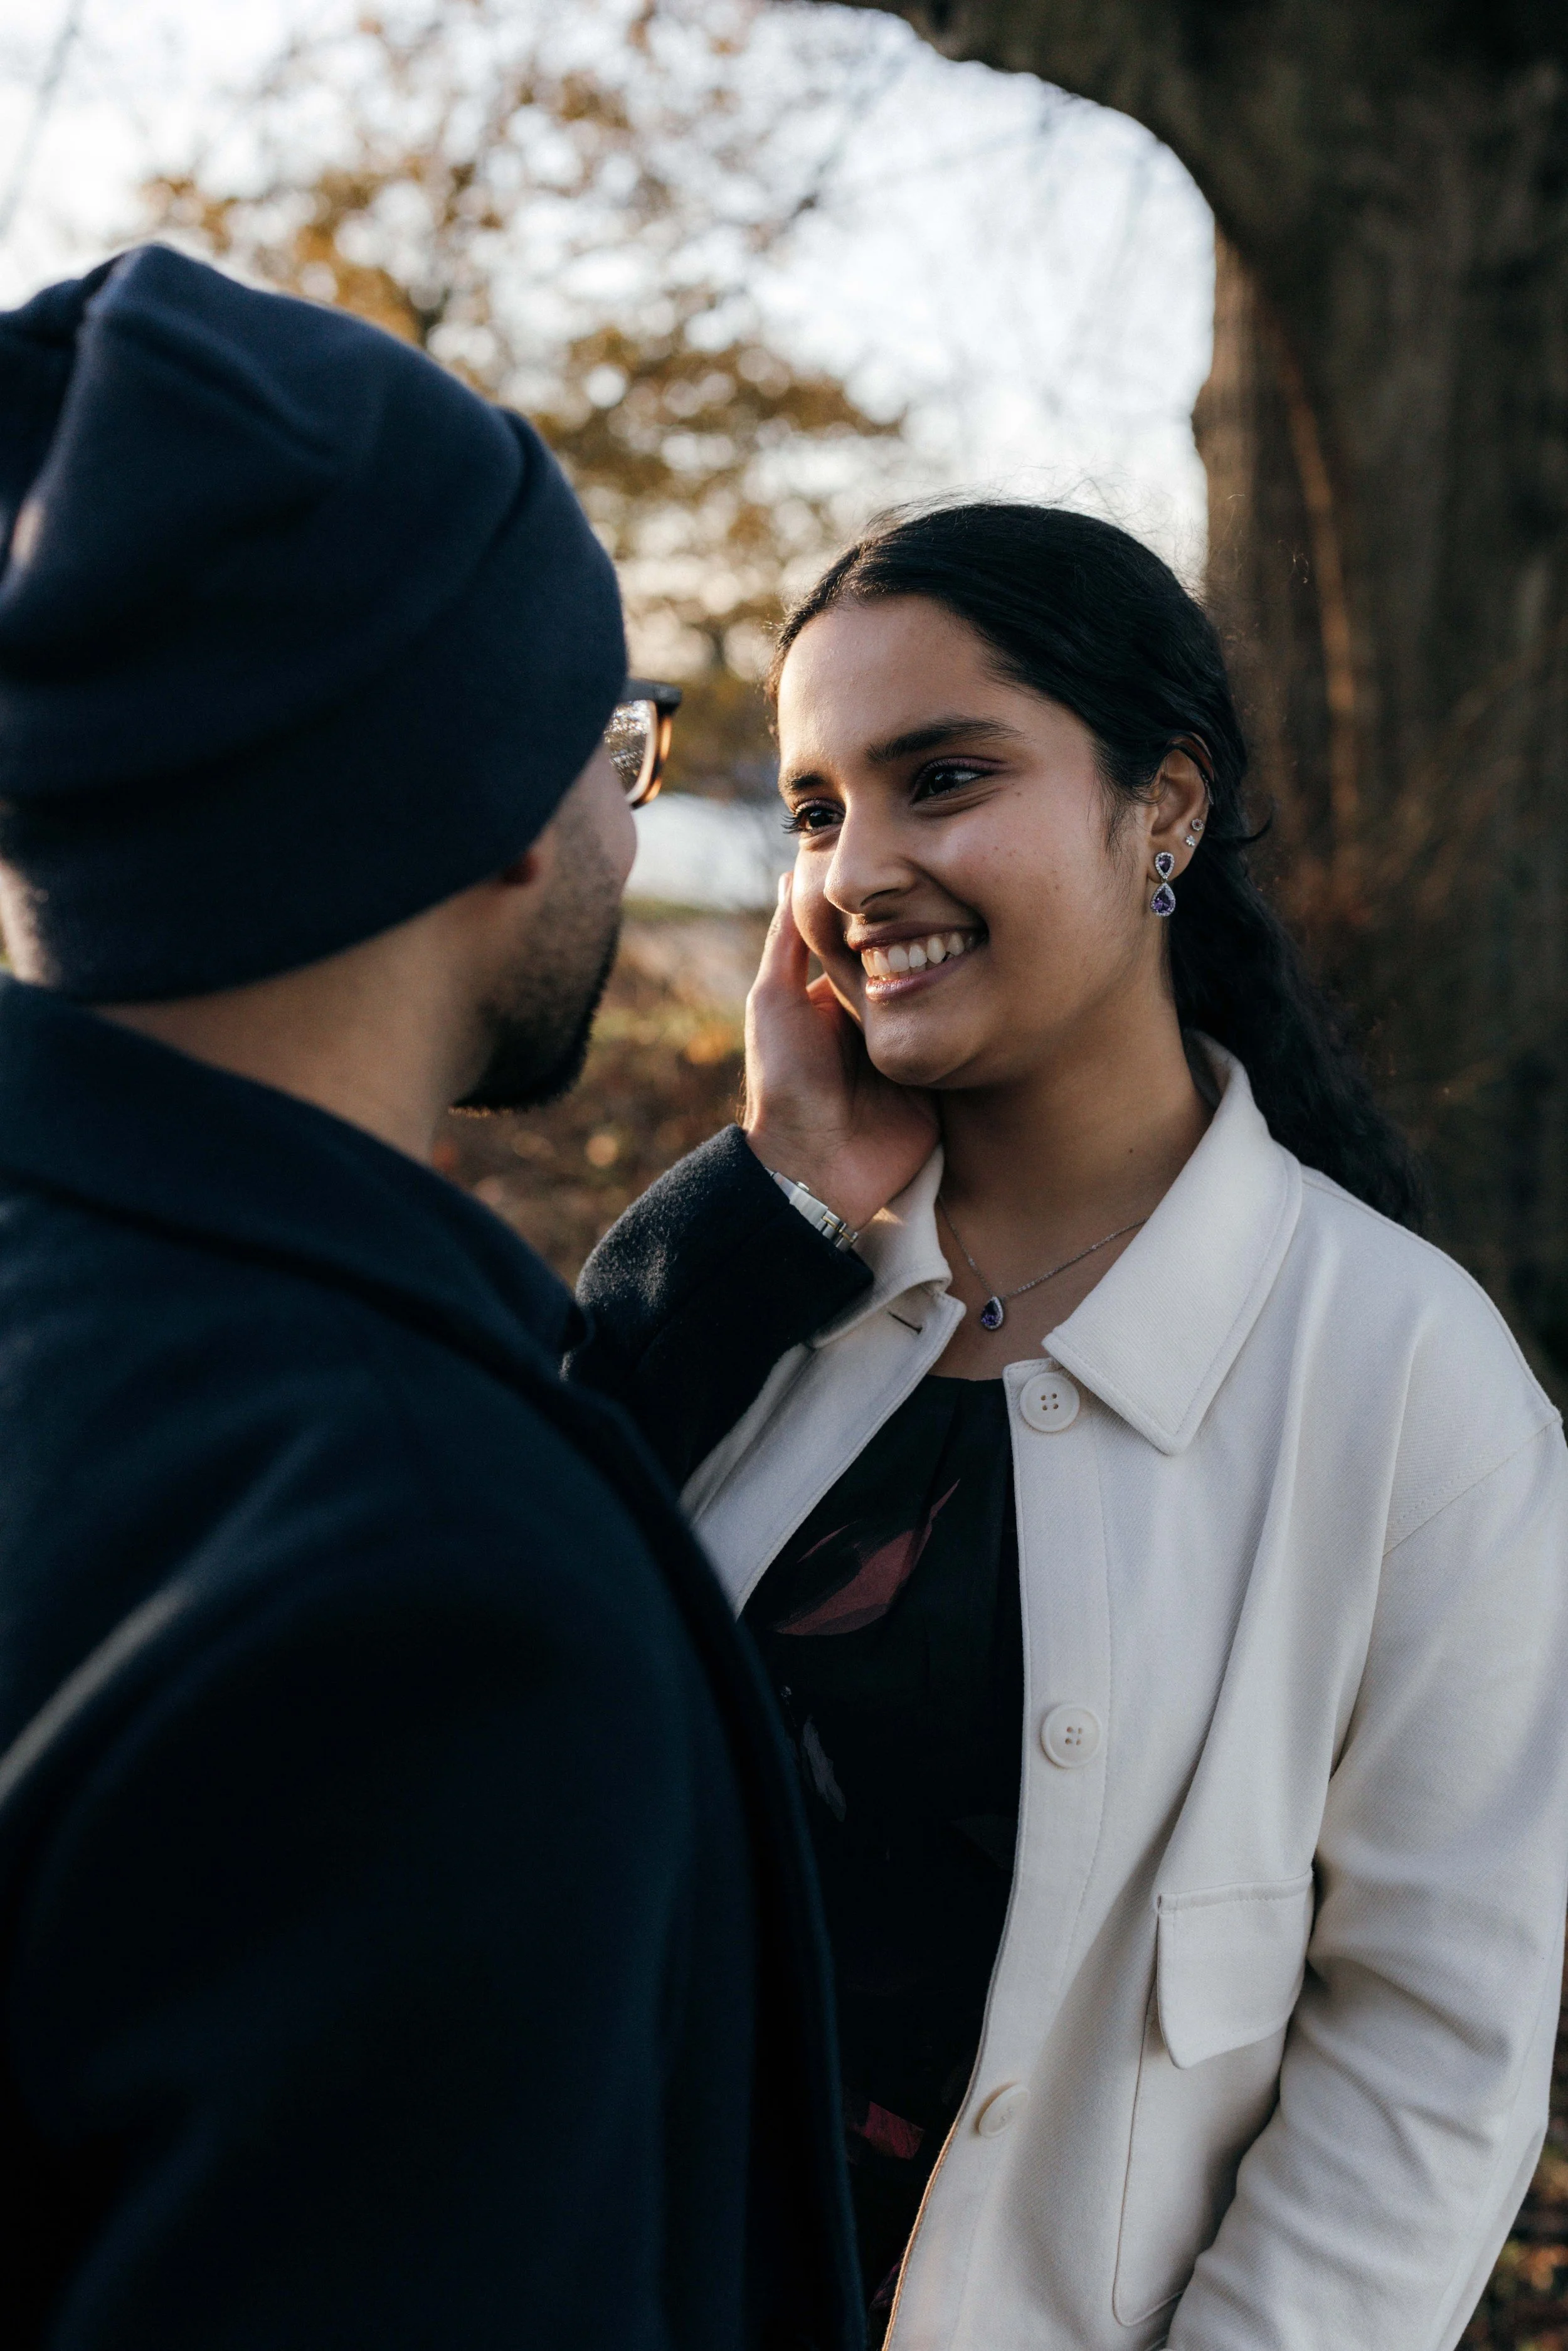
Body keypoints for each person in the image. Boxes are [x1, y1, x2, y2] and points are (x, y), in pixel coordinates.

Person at [573, 502, 1568, 2351]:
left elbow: (1428, 2058)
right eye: (811, 808)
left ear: (1163, 807)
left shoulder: (1407, 1379)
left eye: (939, 776)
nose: (858, 864)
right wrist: (771, 1191)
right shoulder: (776, 1289)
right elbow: (500, 1630)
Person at [0, 245, 859, 2351]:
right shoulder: (435, 1615)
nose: (620, 799)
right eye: (614, 738)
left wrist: (758, 1220)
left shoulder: (156, 1360)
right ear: (483, 796)